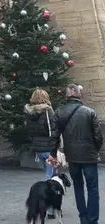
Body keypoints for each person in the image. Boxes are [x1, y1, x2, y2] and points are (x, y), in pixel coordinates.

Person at [51, 84, 102, 224]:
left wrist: (53, 154)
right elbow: (98, 136)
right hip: (89, 156)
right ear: (79, 95)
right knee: (92, 188)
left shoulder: (59, 112)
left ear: (67, 95)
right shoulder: (90, 112)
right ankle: (93, 220)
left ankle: (83, 218)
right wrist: (96, 149)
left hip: (72, 156)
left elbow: (54, 136)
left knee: (78, 186)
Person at [25, 89, 60, 218]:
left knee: (48, 175)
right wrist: (55, 149)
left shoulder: (29, 112)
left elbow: (29, 130)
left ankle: (46, 206)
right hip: (49, 149)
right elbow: (53, 130)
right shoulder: (48, 111)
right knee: (51, 178)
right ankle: (50, 208)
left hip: (38, 149)